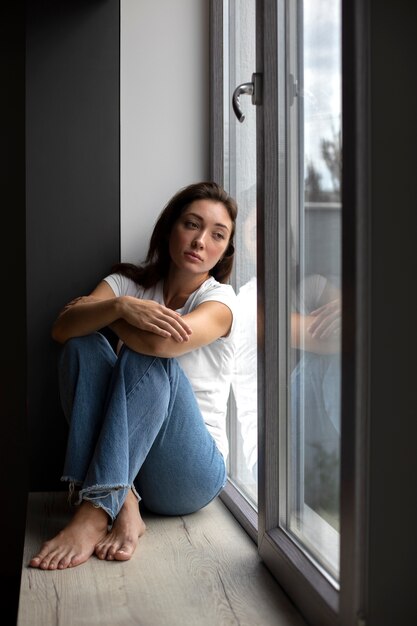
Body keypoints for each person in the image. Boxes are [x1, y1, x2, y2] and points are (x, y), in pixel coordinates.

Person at [29, 181, 238, 571]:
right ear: (170, 228)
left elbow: (162, 347)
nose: (200, 241)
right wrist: (123, 304)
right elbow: (62, 330)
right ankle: (122, 501)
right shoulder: (130, 284)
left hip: (189, 472)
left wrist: (113, 315)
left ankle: (94, 511)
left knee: (147, 354)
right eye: (192, 224)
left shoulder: (221, 301)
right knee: (82, 346)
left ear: (225, 250)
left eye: (217, 235)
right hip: (130, 466)